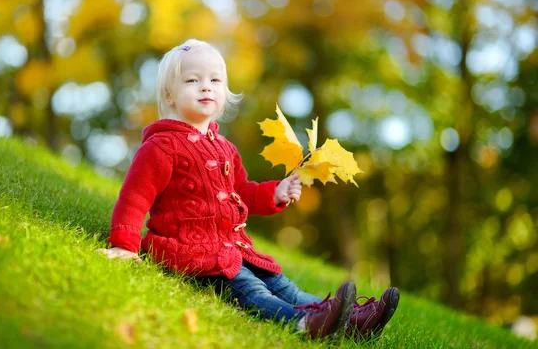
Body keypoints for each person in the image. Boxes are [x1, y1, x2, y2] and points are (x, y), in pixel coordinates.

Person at [98, 39, 399, 341]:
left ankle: (350, 321)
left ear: (225, 92)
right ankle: (304, 323)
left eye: (215, 80)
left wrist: (276, 192)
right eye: (193, 80)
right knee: (252, 290)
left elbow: (242, 191)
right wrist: (124, 245)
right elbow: (134, 197)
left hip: (236, 250)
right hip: (196, 254)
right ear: (169, 95)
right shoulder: (161, 146)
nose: (206, 87)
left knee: (285, 286)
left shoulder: (226, 149)